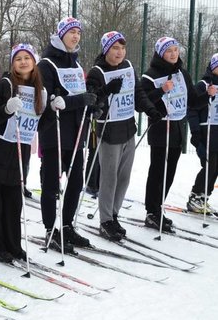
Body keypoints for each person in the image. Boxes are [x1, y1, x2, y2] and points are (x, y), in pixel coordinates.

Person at [0, 43, 45, 263]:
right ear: (12, 63)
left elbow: (43, 120)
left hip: (19, 151)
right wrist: (5, 109)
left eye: (27, 58)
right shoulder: (5, 85)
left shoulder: (39, 88)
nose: (23, 62)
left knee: (14, 201)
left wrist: (55, 106)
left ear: (34, 62)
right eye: (18, 59)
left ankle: (12, 243)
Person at [86, 31, 162, 240]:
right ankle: (105, 220)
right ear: (106, 50)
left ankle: (114, 214)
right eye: (114, 48)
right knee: (109, 178)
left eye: (122, 48)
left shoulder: (128, 67)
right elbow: (92, 102)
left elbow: (138, 95)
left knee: (124, 177)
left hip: (128, 128)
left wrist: (150, 110)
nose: (119, 52)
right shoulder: (97, 72)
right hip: (109, 131)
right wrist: (107, 90)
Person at [37, 17, 97, 253]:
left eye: (78, 33)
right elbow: (49, 101)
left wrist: (91, 104)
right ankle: (50, 229)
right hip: (55, 133)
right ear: (60, 35)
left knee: (75, 183)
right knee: (51, 184)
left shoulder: (76, 65)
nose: (75, 37)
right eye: (71, 32)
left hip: (76, 133)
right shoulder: (46, 65)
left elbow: (78, 95)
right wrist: (78, 101)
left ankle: (67, 225)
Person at [141, 37, 201, 231]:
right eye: (169, 51)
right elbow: (143, 100)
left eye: (176, 50)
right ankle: (151, 212)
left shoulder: (182, 73)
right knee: (158, 170)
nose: (174, 54)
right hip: (160, 128)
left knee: (170, 172)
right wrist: (160, 90)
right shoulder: (150, 75)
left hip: (177, 128)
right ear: (160, 54)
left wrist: (208, 95)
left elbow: (192, 99)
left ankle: (159, 208)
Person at [187, 53, 218, 213]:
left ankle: (204, 197)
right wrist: (196, 132)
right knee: (208, 165)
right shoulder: (203, 85)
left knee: (216, 167)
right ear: (213, 67)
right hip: (207, 130)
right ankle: (195, 196)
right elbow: (192, 109)